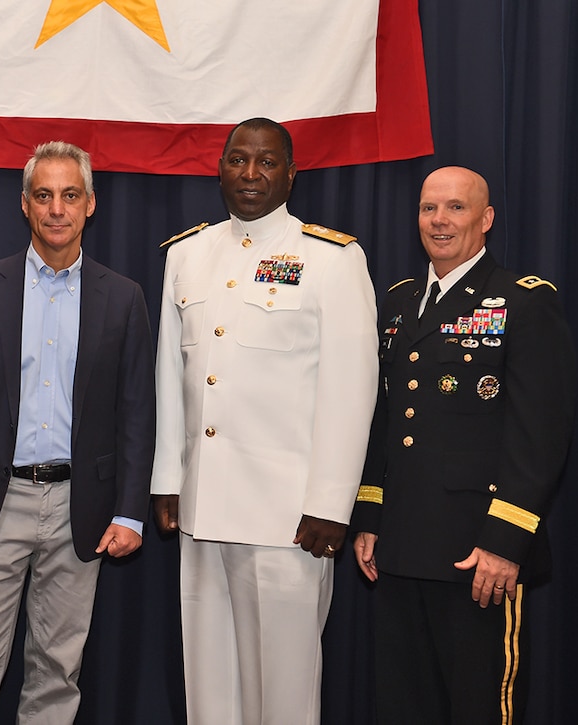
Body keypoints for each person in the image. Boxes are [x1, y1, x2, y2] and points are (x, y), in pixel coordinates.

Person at [151, 118, 379, 724]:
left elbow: (352, 387)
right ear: (220, 167)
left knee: (282, 693)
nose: (250, 175)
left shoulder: (331, 258)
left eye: (267, 162)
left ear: (291, 173)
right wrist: (167, 480)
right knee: (209, 687)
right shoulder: (186, 255)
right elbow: (171, 379)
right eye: (238, 160)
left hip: (288, 517)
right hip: (202, 508)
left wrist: (332, 502)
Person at [0, 141, 155, 723]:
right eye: (44, 195)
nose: (57, 208)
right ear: (25, 205)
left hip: (83, 507)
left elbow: (135, 414)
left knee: (58, 672)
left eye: (70, 195)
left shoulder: (124, 299)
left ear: (91, 205)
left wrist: (130, 511)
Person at [351, 166, 576, 724]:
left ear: (486, 218)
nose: (440, 221)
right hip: (400, 549)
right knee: (405, 706)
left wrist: (505, 541)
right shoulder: (400, 303)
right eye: (430, 208)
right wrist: (371, 516)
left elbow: (540, 434)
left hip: (478, 553)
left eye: (455, 208)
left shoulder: (522, 303)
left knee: (480, 708)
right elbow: (384, 421)